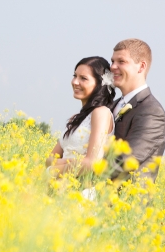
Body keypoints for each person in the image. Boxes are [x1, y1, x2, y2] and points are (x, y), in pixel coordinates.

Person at [45, 56, 116, 199]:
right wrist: (76, 161)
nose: (75, 82)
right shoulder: (76, 118)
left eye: (83, 78)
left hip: (79, 196)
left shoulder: (101, 113)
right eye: (75, 76)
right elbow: (49, 159)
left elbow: (92, 163)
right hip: (59, 192)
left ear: (99, 84)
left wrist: (53, 170)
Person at [110, 39, 165, 183]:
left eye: (121, 62)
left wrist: (77, 167)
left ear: (141, 67)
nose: (112, 67)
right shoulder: (112, 105)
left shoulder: (152, 112)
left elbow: (125, 162)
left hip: (126, 203)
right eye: (112, 61)